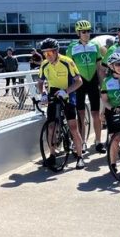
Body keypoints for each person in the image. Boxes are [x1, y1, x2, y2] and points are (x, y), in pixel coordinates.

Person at [36, 38, 86, 169]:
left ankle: (80, 156)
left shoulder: (67, 62)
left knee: (73, 127)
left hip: (68, 93)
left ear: (56, 51)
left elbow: (79, 81)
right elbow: (40, 82)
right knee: (51, 127)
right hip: (53, 93)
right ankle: (52, 155)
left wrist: (66, 91)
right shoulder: (44, 64)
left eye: (50, 53)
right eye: (45, 53)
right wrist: (43, 94)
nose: (47, 56)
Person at [67, 19, 105, 153]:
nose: (87, 34)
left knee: (96, 114)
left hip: (92, 81)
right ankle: (82, 142)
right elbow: (68, 69)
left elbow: (99, 68)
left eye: (88, 31)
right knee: (81, 114)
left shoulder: (95, 46)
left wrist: (102, 85)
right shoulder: (72, 47)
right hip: (79, 83)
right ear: (78, 33)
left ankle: (98, 141)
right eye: (83, 32)